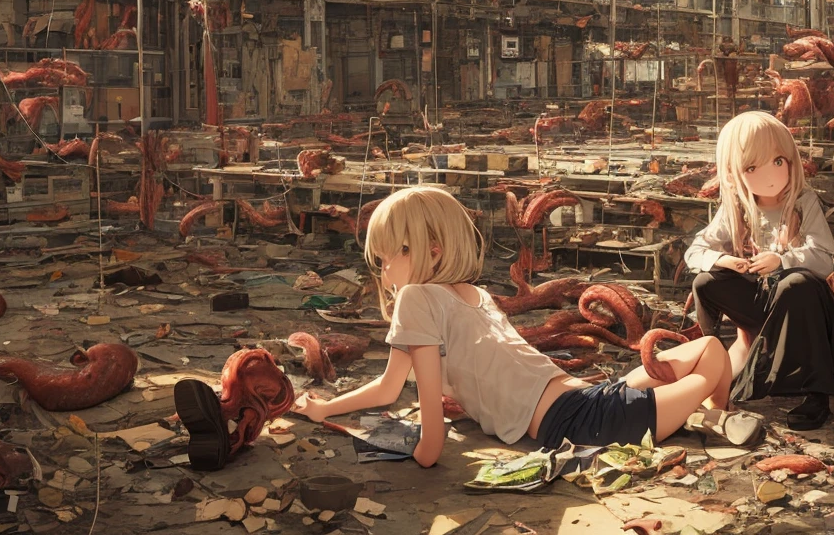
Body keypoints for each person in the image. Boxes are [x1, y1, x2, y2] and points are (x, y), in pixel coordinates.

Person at [293, 185, 764, 467]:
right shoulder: (472, 295)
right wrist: (326, 409)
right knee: (708, 351)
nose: (384, 270)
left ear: (432, 249)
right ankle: (705, 416)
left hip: (583, 421)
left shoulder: (416, 299)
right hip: (590, 399)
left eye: (390, 255)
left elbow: (427, 442)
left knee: (710, 356)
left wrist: (383, 439)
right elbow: (388, 386)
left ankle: (705, 417)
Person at [684, 111, 834, 431]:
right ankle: (710, 361)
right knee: (706, 281)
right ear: (734, 173)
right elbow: (695, 251)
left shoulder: (803, 201)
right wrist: (721, 260)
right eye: (752, 167)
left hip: (811, 317)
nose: (770, 175)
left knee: (795, 282)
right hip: (768, 311)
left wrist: (781, 259)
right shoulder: (737, 207)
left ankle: (817, 393)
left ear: (790, 161)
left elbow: (823, 258)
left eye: (777, 161)